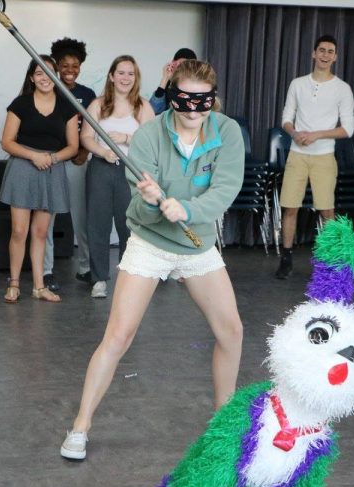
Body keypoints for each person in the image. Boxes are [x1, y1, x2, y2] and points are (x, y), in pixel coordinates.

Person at [60, 60, 245, 460]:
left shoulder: (227, 132)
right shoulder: (148, 137)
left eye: (203, 100)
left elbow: (226, 188)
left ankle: (223, 426)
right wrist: (151, 203)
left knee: (231, 331)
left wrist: (189, 211)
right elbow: (142, 211)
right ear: (171, 95)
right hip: (150, 242)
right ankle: (80, 426)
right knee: (118, 336)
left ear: (213, 98)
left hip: (198, 245)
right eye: (184, 99)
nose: (194, 109)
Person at [0, 56, 79, 303]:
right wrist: (34, 156)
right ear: (32, 78)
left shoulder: (67, 107)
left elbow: (73, 147)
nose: (45, 78)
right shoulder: (20, 104)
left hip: (51, 170)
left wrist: (51, 159)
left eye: (50, 72)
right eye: (40, 73)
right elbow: (7, 142)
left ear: (56, 76)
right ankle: (13, 284)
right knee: (19, 230)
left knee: (41, 232)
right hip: (22, 169)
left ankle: (38, 286)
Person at [275, 35, 354, 280]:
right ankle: (286, 258)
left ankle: (330, 263)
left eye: (330, 51)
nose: (325, 55)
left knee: (327, 210)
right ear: (313, 53)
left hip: (324, 156)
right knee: (289, 207)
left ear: (335, 56)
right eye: (321, 50)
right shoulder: (298, 84)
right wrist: (295, 133)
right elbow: (286, 118)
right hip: (297, 154)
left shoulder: (342, 88)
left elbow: (348, 128)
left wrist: (317, 134)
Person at [81, 56, 155, 299]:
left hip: (132, 172)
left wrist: (125, 139)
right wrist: (103, 151)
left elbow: (152, 142)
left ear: (136, 78)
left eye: (130, 74)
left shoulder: (143, 107)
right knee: (97, 225)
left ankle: (128, 278)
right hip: (101, 169)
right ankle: (99, 279)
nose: (125, 78)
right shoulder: (98, 105)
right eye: (121, 73)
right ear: (111, 76)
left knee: (129, 226)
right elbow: (86, 137)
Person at [44, 38, 97, 291]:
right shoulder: (48, 89)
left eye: (75, 65)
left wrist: (84, 150)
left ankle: (86, 268)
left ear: (80, 67)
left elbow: (94, 128)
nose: (69, 70)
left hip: (78, 161)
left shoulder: (87, 95)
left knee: (81, 215)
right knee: (46, 218)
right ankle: (45, 271)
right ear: (56, 66)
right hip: (52, 161)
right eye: (64, 65)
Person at [149, 48, 197, 115]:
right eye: (178, 65)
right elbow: (153, 110)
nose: (180, 70)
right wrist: (165, 78)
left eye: (184, 66)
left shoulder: (196, 87)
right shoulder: (168, 85)